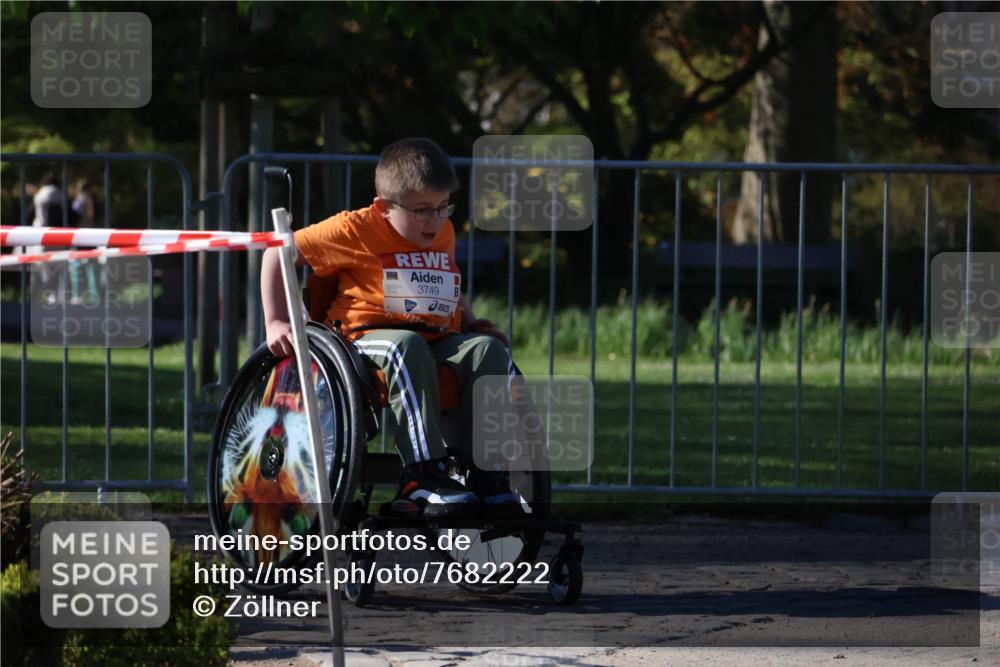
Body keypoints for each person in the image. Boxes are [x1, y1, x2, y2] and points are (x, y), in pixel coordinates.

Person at [261, 138, 519, 519]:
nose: (435, 220)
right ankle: (421, 476)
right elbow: (276, 252)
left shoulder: (441, 231)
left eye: (443, 206)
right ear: (384, 207)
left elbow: (442, 285)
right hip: (362, 339)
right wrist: (276, 320)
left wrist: (471, 322)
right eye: (422, 211)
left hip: (435, 336)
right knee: (406, 346)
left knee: (488, 350)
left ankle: (483, 471)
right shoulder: (353, 228)